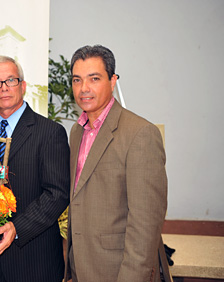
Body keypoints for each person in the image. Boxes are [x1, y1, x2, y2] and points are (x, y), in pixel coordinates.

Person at [65, 45, 168, 282]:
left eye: (94, 79)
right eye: (77, 80)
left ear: (113, 81)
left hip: (117, 271)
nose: (84, 89)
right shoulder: (76, 131)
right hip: (80, 268)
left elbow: (145, 224)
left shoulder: (140, 133)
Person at [0, 56, 70, 282]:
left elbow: (57, 194)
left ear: (23, 86)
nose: (4, 88)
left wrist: (16, 228)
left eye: (11, 80)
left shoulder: (49, 132)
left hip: (35, 262)